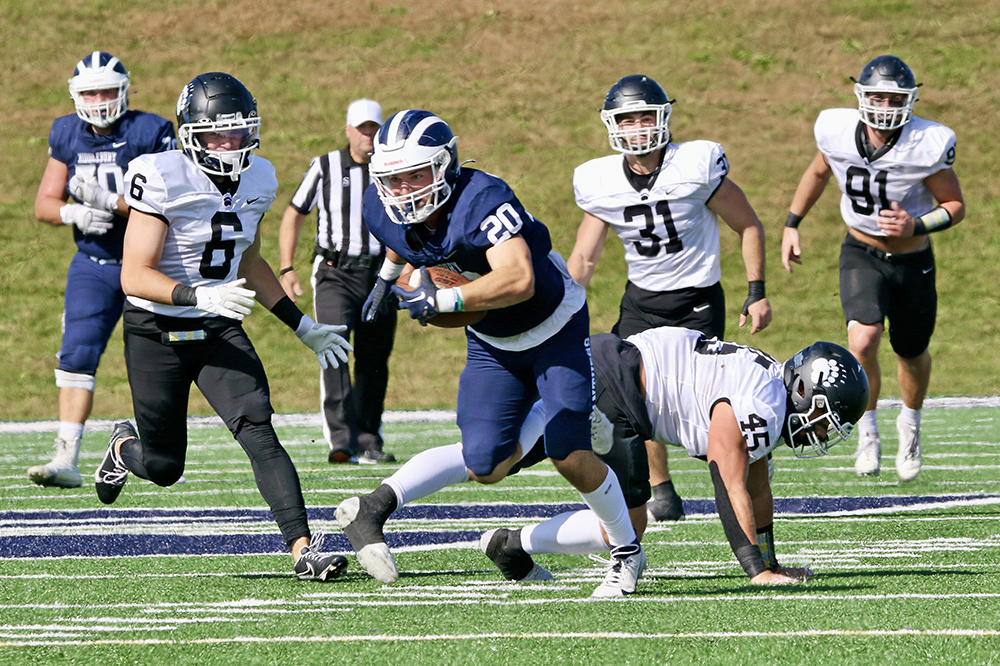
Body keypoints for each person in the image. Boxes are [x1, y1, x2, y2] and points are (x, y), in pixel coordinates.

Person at [341, 109, 644, 597]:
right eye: (392, 179)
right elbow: (400, 243)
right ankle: (551, 406)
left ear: (445, 166)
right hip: (492, 341)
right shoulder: (381, 208)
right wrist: (383, 280)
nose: (404, 190)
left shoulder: (481, 198)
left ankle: (627, 552)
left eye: (415, 175)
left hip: (554, 325)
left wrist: (446, 298)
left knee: (569, 454)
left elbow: (520, 279)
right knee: (485, 465)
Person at [330, 327, 868, 587]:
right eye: (825, 417)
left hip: (610, 367)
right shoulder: (766, 400)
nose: (823, 432)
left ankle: (381, 506)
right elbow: (727, 476)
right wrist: (754, 570)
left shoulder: (768, 392)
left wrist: (770, 559)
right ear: (802, 390)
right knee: (630, 524)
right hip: (618, 386)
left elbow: (755, 486)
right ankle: (529, 547)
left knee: (494, 459)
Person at [92, 72, 353, 582]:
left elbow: (249, 258)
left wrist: (303, 327)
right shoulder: (160, 173)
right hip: (156, 329)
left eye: (237, 131)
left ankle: (302, 548)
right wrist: (196, 294)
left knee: (258, 426)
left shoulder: (261, 177)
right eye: (215, 134)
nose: (228, 143)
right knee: (166, 468)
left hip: (216, 324)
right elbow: (134, 274)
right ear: (189, 132)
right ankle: (124, 447)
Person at [568, 74, 772, 521]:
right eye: (627, 119)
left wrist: (755, 291)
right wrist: (561, 309)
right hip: (641, 300)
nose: (638, 127)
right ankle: (660, 489)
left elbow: (748, 224)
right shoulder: (600, 179)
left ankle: (735, 479)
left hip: (696, 300)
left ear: (664, 118)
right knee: (631, 397)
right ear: (612, 126)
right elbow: (584, 257)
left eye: (646, 116)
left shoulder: (695, 165)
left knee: (700, 402)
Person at [781, 55, 965, 480]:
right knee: (862, 340)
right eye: (877, 95)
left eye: (894, 97)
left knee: (911, 352)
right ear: (860, 96)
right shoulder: (836, 130)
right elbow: (818, 171)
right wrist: (793, 222)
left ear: (911, 100)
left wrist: (915, 224)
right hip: (860, 251)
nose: (884, 105)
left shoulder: (927, 142)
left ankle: (911, 423)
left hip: (911, 258)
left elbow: (955, 207)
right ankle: (867, 431)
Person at [28, 51, 176, 489]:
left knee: (158, 359)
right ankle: (66, 455)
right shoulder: (67, 132)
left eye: (107, 91)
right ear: (76, 95)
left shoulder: (150, 131)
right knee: (77, 353)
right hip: (93, 264)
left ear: (124, 91)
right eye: (90, 92)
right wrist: (73, 214)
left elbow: (166, 203)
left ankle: (139, 448)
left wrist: (110, 202)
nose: (99, 100)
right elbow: (44, 203)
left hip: (147, 265)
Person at [277, 98, 397, 464]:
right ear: (348, 130)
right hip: (335, 271)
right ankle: (341, 440)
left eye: (374, 129)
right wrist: (286, 267)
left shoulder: (392, 168)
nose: (368, 136)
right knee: (335, 349)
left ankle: (368, 437)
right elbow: (294, 214)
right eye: (362, 129)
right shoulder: (326, 166)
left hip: (382, 272)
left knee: (375, 359)